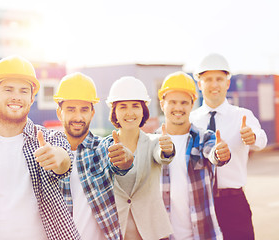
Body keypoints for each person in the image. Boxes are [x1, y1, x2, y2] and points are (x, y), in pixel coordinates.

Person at [0, 55, 80, 240]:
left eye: (24, 91)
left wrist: (57, 158)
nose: (16, 97)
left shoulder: (50, 139)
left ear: (32, 98)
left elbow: (64, 163)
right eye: (9, 89)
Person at [190, 53, 268, 240]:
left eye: (219, 79)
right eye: (208, 79)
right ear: (200, 84)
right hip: (200, 202)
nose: (214, 84)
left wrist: (252, 137)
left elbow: (262, 139)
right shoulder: (191, 120)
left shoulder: (242, 115)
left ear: (227, 83)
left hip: (233, 203)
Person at [54, 72, 134, 240]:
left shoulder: (103, 148)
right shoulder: (50, 153)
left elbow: (119, 162)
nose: (78, 117)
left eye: (84, 110)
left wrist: (125, 159)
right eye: (71, 109)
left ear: (92, 113)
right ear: (59, 112)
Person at [158, 71, 231, 240]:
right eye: (172, 102)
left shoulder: (204, 137)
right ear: (162, 104)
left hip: (203, 234)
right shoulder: (152, 143)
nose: (178, 108)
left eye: (184, 102)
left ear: (192, 105)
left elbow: (213, 152)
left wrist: (220, 153)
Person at [104, 76, 173, 240]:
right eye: (122, 107)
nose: (129, 113)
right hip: (117, 232)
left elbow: (163, 155)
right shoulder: (104, 147)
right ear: (115, 112)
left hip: (153, 233)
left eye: (135, 106)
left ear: (144, 110)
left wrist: (168, 149)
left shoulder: (154, 142)